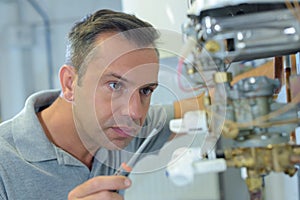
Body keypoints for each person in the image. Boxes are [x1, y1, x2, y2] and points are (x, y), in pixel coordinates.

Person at [0, 9, 202, 200]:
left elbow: (204, 107)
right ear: (70, 83)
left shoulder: (124, 131)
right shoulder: (4, 163)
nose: (134, 112)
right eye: (115, 85)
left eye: (145, 90)